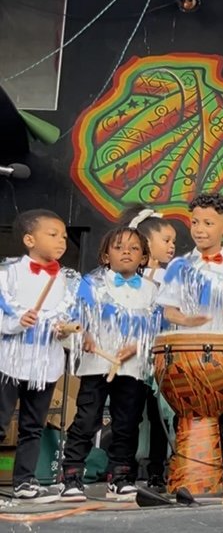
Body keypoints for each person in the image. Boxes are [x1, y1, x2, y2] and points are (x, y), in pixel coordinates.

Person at [156, 192, 223, 494]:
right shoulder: (180, 265)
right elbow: (168, 309)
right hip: (189, 356)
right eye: (195, 222)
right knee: (189, 414)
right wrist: (187, 321)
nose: (199, 229)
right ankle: (185, 472)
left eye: (208, 223)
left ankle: (220, 471)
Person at [60, 226, 160, 502]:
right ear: (105, 256)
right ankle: (70, 476)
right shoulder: (90, 284)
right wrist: (85, 335)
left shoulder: (152, 291)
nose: (126, 252)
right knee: (86, 420)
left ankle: (120, 476)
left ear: (143, 258)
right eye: (118, 247)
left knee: (127, 423)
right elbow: (73, 319)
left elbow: (156, 329)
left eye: (134, 248)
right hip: (96, 366)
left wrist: (138, 346)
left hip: (132, 367)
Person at [0, 209, 80, 501]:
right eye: (53, 234)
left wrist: (65, 331)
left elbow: (70, 322)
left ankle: (23, 482)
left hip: (44, 364)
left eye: (64, 236)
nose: (62, 241)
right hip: (8, 362)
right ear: (29, 239)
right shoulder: (6, 275)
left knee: (33, 426)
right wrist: (15, 322)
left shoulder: (68, 281)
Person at [118, 205, 177, 492]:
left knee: (159, 417)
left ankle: (157, 471)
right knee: (129, 414)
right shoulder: (132, 278)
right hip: (134, 358)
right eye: (166, 240)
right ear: (146, 243)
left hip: (161, 357)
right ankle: (123, 471)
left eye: (173, 242)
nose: (172, 246)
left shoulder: (171, 278)